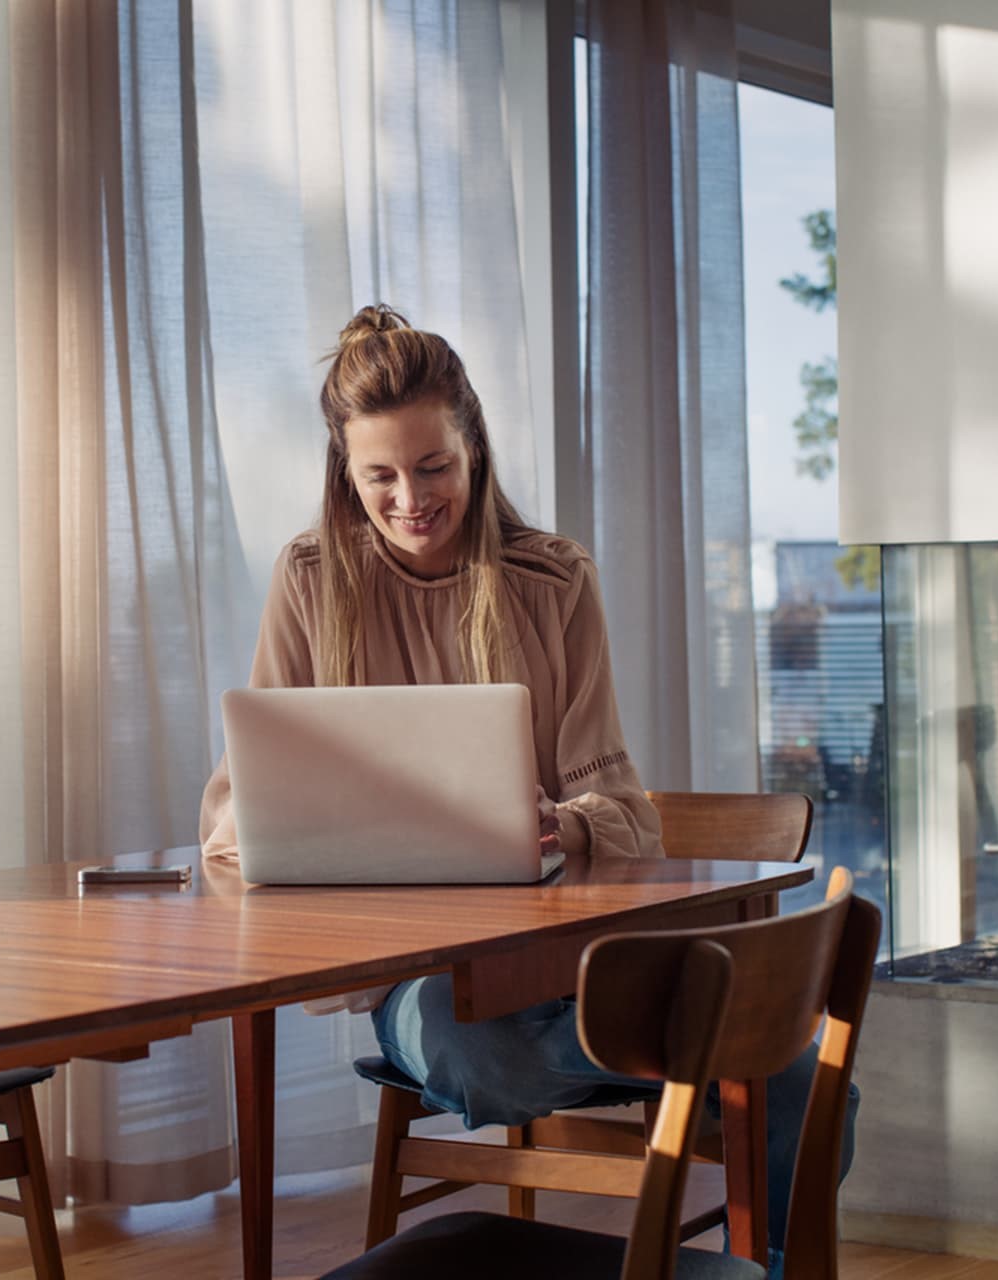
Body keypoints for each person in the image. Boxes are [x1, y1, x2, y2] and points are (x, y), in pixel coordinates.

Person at [198, 304, 851, 1268]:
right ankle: (688, 1048)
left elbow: (625, 811)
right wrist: (291, 834)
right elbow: (229, 822)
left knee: (804, 1081)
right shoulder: (308, 581)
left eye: (433, 468)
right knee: (479, 1058)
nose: (410, 498)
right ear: (346, 470)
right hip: (415, 979)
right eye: (379, 475)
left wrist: (567, 826)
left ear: (475, 452)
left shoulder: (552, 581)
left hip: (567, 962)